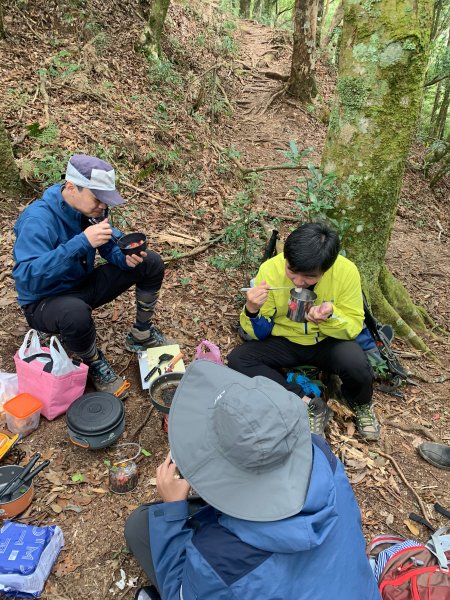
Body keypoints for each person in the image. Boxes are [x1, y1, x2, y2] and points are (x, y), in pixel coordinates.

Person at [125, 360, 381, 600]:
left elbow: (179, 593)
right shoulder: (323, 457)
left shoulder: (219, 557)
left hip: (237, 568)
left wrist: (173, 510)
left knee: (140, 526)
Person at [12, 154, 167, 399]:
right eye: (98, 199)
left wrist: (124, 258)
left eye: (106, 200)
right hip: (44, 300)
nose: (103, 206)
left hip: (82, 285)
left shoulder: (91, 210)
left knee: (151, 263)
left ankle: (141, 334)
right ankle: (93, 360)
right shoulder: (38, 219)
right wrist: (82, 242)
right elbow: (27, 276)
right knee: (74, 314)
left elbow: (108, 245)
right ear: (72, 187)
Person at [227, 222, 380, 440]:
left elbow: (354, 325)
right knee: (239, 359)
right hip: (285, 340)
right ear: (286, 259)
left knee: (356, 364)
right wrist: (251, 310)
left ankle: (362, 404)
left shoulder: (346, 272)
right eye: (292, 271)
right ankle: (306, 402)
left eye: (309, 277)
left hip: (327, 341)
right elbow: (259, 333)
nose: (299, 283)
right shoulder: (270, 269)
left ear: (326, 269)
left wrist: (330, 317)